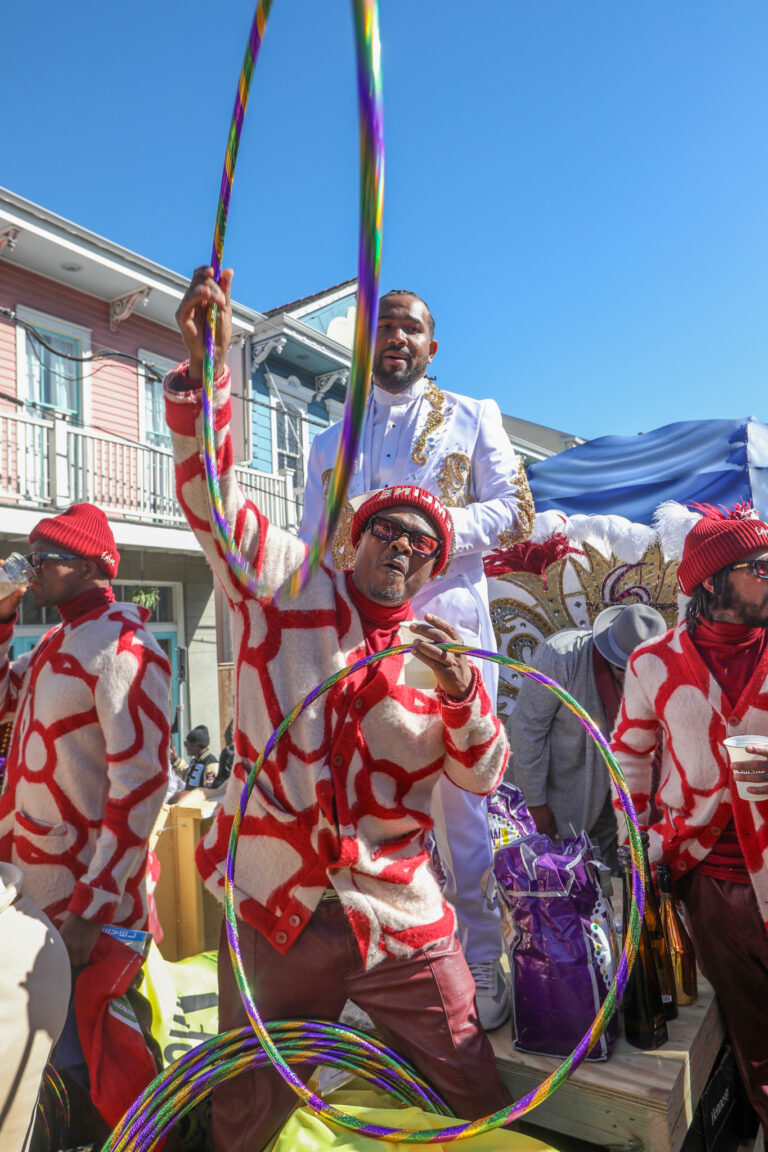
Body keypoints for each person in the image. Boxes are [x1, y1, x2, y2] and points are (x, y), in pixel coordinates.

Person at [167, 266, 513, 1151]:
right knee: (243, 1112)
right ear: (352, 535)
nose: (401, 546)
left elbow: (481, 772)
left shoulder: (432, 661)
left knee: (473, 1090)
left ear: (434, 569)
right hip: (279, 900)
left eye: (420, 543)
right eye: (386, 531)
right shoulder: (281, 591)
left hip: (397, 911)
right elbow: (214, 501)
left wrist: (466, 693)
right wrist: (208, 376)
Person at [300, 288, 535, 1028]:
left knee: (462, 809)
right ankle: (385, 970)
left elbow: (516, 510)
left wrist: (426, 527)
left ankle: (484, 962)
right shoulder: (329, 441)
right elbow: (313, 544)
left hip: (449, 641)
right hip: (363, 645)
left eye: (411, 327)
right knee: (372, 810)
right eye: (384, 326)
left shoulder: (475, 415)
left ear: (432, 347)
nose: (396, 336)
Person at [0, 503, 171, 1131]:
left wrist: (91, 909)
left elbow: (142, 788)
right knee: (45, 1054)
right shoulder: (54, 641)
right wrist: (1, 614)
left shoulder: (126, 648)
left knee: (96, 1060)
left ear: (88, 567)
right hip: (38, 897)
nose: (33, 569)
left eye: (45, 559)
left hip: (87, 910)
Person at [612, 507, 768, 1129]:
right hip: (707, 885)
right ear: (709, 581)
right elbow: (629, 759)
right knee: (754, 1037)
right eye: (759, 568)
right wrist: (640, 847)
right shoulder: (653, 662)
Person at [507, 604, 667, 870]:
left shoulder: (666, 673)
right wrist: (534, 802)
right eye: (625, 670)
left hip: (617, 795)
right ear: (608, 654)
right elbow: (527, 731)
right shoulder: (559, 657)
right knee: (557, 879)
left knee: (617, 880)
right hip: (560, 796)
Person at [183, 725, 219, 789]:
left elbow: (208, 792)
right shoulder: (195, 761)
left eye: (186, 744)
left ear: (195, 746)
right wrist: (175, 760)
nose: (185, 747)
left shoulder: (211, 765)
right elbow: (186, 776)